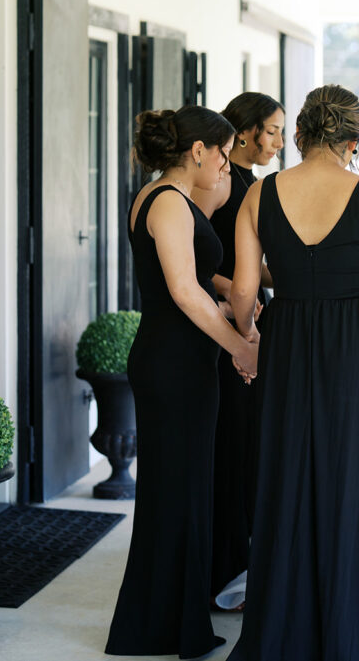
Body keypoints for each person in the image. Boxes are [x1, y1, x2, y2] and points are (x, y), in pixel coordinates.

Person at [227, 84, 359, 660]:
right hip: (356, 344)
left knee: (287, 474)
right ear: (353, 141)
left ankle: (286, 624)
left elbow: (242, 289)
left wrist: (249, 333)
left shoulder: (260, 193)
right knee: (354, 474)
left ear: (303, 133)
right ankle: (352, 624)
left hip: (286, 337)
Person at [106, 106, 258, 659]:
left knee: (185, 492)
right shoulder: (167, 202)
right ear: (198, 151)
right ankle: (164, 626)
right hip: (173, 364)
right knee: (175, 494)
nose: (225, 162)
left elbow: (199, 279)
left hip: (185, 359)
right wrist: (241, 346)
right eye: (221, 152)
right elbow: (183, 292)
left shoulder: (176, 199)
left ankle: (169, 619)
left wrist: (237, 301)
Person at [192, 92, 284, 607]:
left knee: (248, 446)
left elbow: (258, 267)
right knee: (234, 446)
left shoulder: (254, 184)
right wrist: (241, 308)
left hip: (251, 314)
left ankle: (242, 562)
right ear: (244, 131)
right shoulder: (226, 187)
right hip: (231, 325)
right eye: (270, 130)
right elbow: (202, 265)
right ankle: (227, 570)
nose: (277, 141)